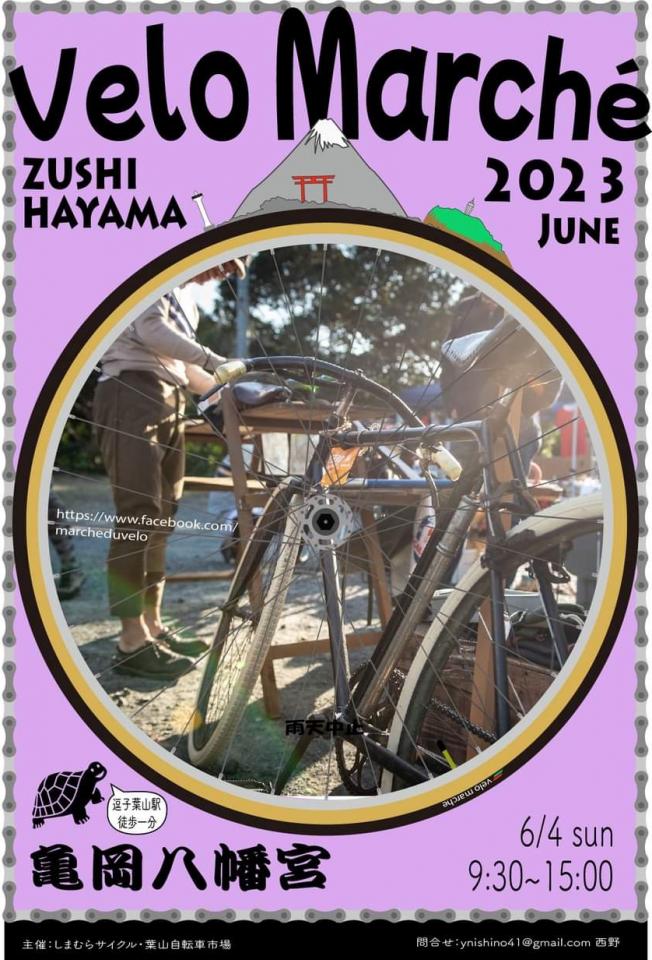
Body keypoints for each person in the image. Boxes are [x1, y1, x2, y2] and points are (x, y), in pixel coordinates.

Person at [92, 259, 246, 680]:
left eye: (232, 271)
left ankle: (153, 625)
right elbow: (149, 331)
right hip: (130, 387)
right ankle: (130, 640)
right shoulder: (156, 271)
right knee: (139, 512)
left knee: (162, 517)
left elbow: (187, 369)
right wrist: (217, 360)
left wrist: (230, 390)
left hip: (171, 398)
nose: (222, 274)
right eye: (225, 263)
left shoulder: (187, 300)